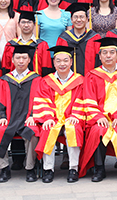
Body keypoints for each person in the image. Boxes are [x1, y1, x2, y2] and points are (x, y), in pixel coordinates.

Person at [80, 37, 117, 182]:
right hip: (100, 116)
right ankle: (99, 169)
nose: (108, 56)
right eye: (104, 53)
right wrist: (98, 117)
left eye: (112, 52)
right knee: (98, 130)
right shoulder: (92, 75)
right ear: (99, 56)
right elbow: (88, 99)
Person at [0, 44, 41, 183]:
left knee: (33, 132)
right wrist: (1, 117)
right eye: (18, 58)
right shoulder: (4, 80)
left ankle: (30, 167)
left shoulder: (37, 79)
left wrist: (33, 116)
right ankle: (3, 168)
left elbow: (40, 101)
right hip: (9, 119)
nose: (21, 61)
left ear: (29, 60)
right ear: (12, 60)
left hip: (27, 119)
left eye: (24, 58)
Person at [33, 46, 85, 184]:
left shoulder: (80, 80)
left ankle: (73, 168)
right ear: (54, 63)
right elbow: (43, 100)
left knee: (73, 129)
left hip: (72, 118)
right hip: (54, 119)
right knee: (48, 129)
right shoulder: (46, 81)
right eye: (59, 61)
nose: (62, 64)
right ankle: (48, 169)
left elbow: (83, 100)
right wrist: (48, 117)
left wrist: (76, 115)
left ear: (71, 62)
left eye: (65, 60)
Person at [2, 11, 53, 77]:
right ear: (18, 24)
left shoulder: (42, 45)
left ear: (34, 24)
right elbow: (5, 68)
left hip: (36, 81)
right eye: (23, 22)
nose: (26, 25)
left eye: (29, 22)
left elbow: (46, 68)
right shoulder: (10, 45)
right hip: (14, 81)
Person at [56, 3, 101, 75]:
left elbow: (99, 61)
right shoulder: (63, 38)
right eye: (75, 17)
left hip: (90, 78)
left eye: (82, 17)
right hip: (69, 79)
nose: (79, 20)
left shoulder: (94, 37)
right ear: (71, 20)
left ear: (87, 19)